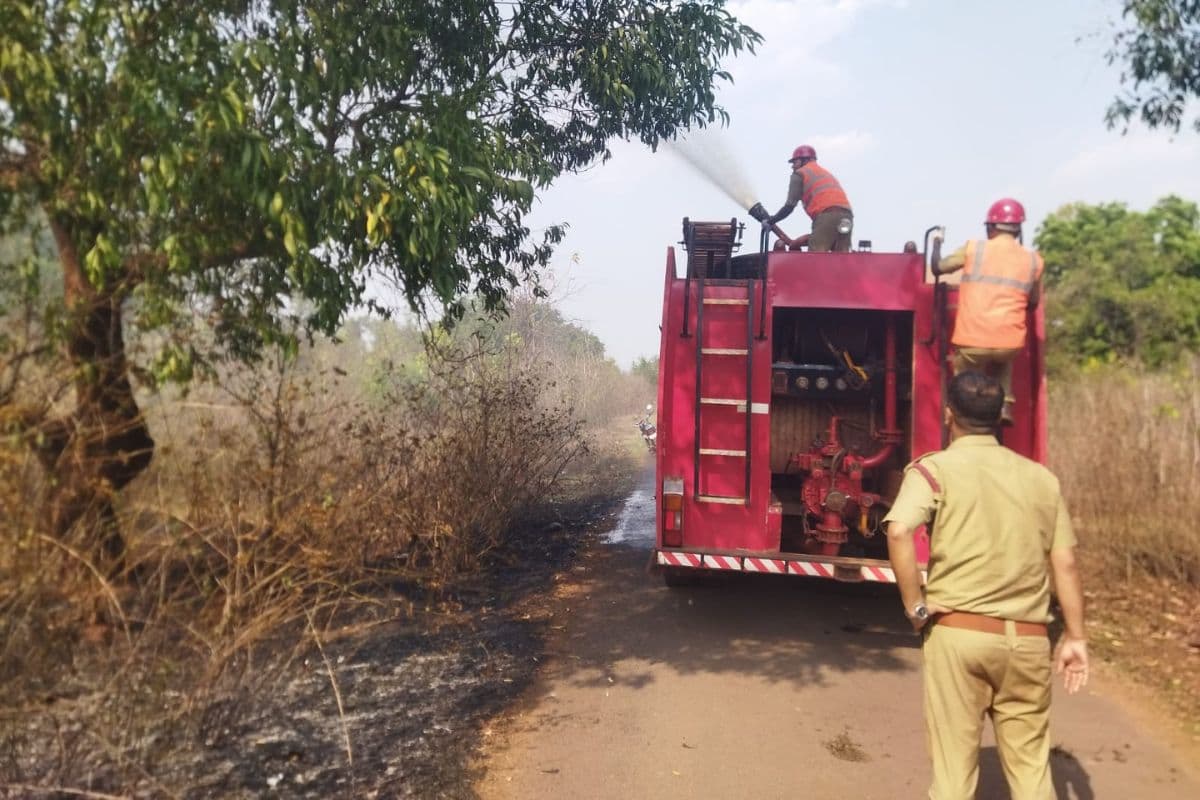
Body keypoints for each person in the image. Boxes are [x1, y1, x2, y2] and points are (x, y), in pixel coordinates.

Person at [883, 371, 1088, 800]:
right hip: (1029, 641)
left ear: (948, 415)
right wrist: (1075, 637)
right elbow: (1065, 561)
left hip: (958, 637)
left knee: (954, 774)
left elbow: (900, 531)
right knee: (1033, 773)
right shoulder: (1041, 479)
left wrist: (916, 609)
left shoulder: (934, 470)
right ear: (1000, 418)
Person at [935, 198, 1043, 424]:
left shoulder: (974, 248)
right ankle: (1004, 406)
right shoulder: (1034, 260)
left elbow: (939, 267)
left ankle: (959, 412)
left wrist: (936, 244)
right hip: (1010, 341)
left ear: (991, 227)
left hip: (972, 338)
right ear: (1018, 229)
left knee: (963, 369)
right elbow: (1033, 303)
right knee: (1003, 360)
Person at [762, 145, 853, 252]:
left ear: (804, 160)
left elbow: (789, 206)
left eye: (795, 162)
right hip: (847, 216)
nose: (792, 167)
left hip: (827, 216)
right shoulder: (823, 172)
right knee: (842, 256)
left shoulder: (800, 173)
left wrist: (771, 221)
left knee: (815, 256)